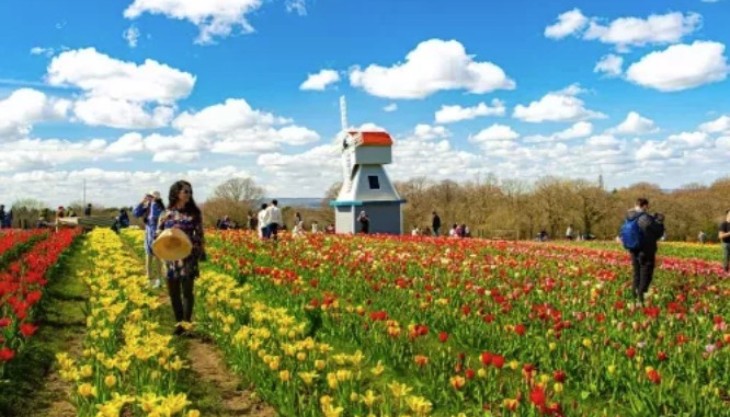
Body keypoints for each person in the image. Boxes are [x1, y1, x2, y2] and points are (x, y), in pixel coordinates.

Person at [157, 180, 205, 336]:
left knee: (187, 291)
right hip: (170, 257)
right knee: (173, 292)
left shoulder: (194, 214)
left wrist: (196, 250)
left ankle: (186, 322)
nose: (188, 194)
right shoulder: (166, 214)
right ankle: (179, 324)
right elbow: (158, 234)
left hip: (187, 256)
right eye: (185, 191)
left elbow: (199, 235)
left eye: (190, 192)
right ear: (176, 193)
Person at [624, 198, 665, 306]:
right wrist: (659, 221)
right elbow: (657, 232)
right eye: (647, 206)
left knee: (637, 273)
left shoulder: (629, 216)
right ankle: (641, 298)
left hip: (633, 249)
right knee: (646, 274)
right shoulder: (644, 218)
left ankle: (634, 297)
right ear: (645, 206)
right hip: (645, 249)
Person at [133, 191, 165, 288]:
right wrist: (142, 202)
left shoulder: (159, 207)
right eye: (149, 196)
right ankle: (149, 278)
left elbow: (155, 218)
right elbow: (136, 213)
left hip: (156, 233)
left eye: (151, 196)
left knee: (157, 256)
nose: (150, 198)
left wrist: (154, 202)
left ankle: (159, 279)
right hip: (148, 233)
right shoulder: (147, 206)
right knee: (148, 255)